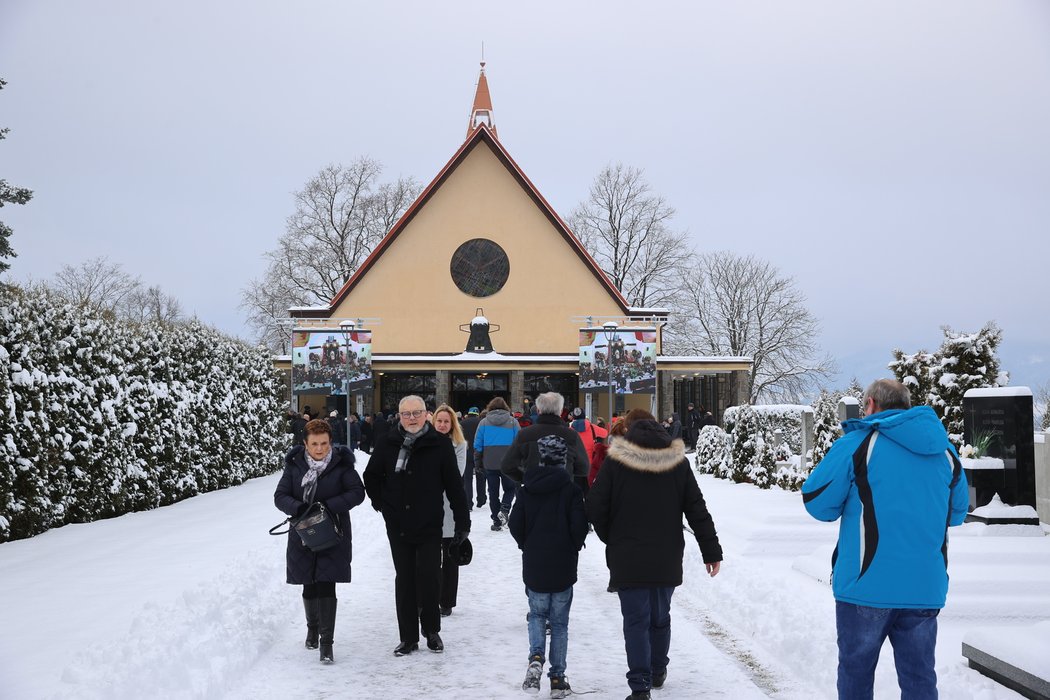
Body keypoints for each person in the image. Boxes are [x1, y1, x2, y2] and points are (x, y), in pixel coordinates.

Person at [801, 379, 968, 699]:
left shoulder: (859, 444)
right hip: (923, 586)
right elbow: (958, 513)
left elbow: (817, 502)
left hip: (866, 585)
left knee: (856, 672)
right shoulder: (945, 451)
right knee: (920, 677)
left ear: (872, 405)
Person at [586, 408, 723, 700]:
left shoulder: (616, 460)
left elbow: (595, 505)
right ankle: (658, 669)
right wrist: (711, 550)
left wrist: (612, 537)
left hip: (627, 555)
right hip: (667, 553)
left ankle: (639, 687)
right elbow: (697, 509)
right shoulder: (678, 462)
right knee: (660, 617)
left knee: (636, 621)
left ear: (629, 429)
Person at [363, 396, 471, 656]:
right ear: (399, 416)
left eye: (417, 413)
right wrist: (383, 505)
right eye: (406, 414)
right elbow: (371, 476)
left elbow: (455, 486)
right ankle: (408, 637)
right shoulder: (387, 443)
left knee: (430, 577)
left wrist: (462, 522)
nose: (411, 418)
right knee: (405, 579)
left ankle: (432, 631)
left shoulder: (440, 444)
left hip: (430, 523)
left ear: (426, 415)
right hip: (398, 524)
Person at [273, 418, 365, 664]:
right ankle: (312, 629)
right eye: (314, 444)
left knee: (326, 584)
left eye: (324, 443)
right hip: (303, 532)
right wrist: (300, 507)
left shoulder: (341, 465)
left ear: (330, 443)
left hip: (332, 533)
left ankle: (327, 643)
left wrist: (327, 507)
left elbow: (357, 493)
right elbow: (280, 496)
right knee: (308, 583)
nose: (320, 449)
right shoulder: (294, 466)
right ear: (305, 443)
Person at [508, 424, 588, 699]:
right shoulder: (571, 490)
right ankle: (557, 679)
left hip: (535, 562)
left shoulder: (528, 489)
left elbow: (515, 523)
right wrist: (573, 546)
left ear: (541, 457)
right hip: (563, 563)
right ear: (564, 458)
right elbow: (579, 526)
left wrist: (526, 544)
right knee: (561, 623)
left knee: (537, 614)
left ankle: (536, 657)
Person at [500, 391, 589, 492]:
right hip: (563, 494)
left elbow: (507, 466)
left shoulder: (525, 434)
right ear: (560, 411)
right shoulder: (571, 435)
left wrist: (525, 477)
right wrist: (568, 473)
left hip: (533, 493)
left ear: (538, 410)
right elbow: (583, 468)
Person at [431, 404, 467, 617]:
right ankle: (430, 596)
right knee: (430, 558)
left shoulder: (459, 445)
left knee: (450, 556)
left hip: (451, 507)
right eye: (439, 421)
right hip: (429, 507)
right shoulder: (424, 443)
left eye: (446, 421)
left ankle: (447, 601)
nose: (443, 425)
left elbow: (457, 473)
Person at [473, 397, 520, 531]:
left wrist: (478, 463)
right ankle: (505, 508)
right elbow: (519, 442)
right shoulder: (513, 422)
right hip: (508, 462)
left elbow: (478, 445)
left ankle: (496, 520)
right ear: (506, 408)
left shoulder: (483, 423)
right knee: (510, 488)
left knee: (493, 492)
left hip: (489, 462)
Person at [460, 407, 485, 509]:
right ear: (477, 413)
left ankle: (468, 503)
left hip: (466, 452)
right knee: (480, 477)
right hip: (478, 453)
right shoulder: (481, 422)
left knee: (467, 478)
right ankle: (481, 500)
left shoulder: (462, 423)